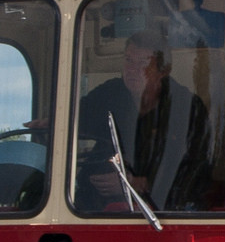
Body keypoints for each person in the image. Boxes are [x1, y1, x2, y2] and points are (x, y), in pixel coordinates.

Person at [76, 30, 212, 211]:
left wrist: (136, 183)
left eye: (143, 63)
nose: (131, 70)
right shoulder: (109, 94)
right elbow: (75, 120)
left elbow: (197, 172)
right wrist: (49, 123)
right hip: (94, 210)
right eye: (128, 60)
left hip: (165, 214)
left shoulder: (187, 108)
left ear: (164, 70)